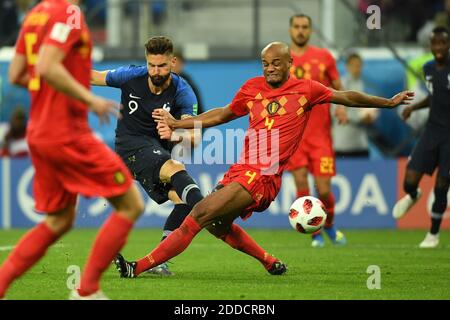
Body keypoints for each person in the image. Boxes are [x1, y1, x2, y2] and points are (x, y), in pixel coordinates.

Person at [112, 41, 413, 278]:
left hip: (263, 176)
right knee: (217, 226)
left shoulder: (307, 90)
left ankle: (137, 267)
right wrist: (178, 124)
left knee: (199, 213)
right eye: (265, 63)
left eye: (276, 63)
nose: (269, 69)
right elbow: (221, 114)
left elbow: (345, 96)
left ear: (290, 64)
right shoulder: (252, 88)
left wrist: (387, 103)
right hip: (241, 169)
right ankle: (269, 261)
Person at [0, 0, 145, 300]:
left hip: (39, 133)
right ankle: (87, 290)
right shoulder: (70, 12)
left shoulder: (34, 15)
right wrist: (88, 99)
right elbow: (47, 66)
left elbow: (16, 74)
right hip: (65, 132)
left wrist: (50, 86)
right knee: (131, 205)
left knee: (60, 220)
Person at [90, 36, 203, 275]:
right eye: (152, 65)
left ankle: (157, 263)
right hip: (129, 147)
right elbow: (93, 76)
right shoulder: (131, 75)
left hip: (155, 152)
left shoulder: (183, 92)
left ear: (172, 62)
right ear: (146, 62)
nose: (156, 71)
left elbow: (194, 137)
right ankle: (206, 208)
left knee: (182, 205)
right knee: (175, 168)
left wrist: (174, 133)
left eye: (162, 66)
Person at [286, 14, 348, 247]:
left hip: (321, 137)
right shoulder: (283, 60)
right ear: (290, 30)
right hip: (295, 137)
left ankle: (329, 225)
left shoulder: (324, 57)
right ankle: (314, 235)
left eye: (305, 27)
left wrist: (341, 109)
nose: (300, 31)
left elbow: (338, 88)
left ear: (310, 31)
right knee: (301, 183)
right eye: (297, 27)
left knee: (323, 190)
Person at [392, 27, 450, 249]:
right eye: (434, 44)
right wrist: (413, 108)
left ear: (448, 45)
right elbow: (436, 97)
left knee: (442, 185)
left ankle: (433, 234)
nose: (438, 48)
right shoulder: (428, 69)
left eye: (442, 44)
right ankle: (413, 194)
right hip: (432, 130)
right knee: (409, 180)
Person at [333, 53, 378, 158]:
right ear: (347, 66)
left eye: (359, 65)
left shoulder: (364, 85)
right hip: (342, 145)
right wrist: (360, 117)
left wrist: (372, 116)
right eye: (354, 65)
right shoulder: (340, 85)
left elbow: (373, 106)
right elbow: (336, 110)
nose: (357, 68)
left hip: (361, 144)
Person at [173, 50, 204, 114]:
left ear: (182, 65)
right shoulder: (159, 81)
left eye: (177, 64)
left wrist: (198, 124)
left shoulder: (188, 84)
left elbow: (199, 112)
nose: (174, 66)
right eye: (172, 63)